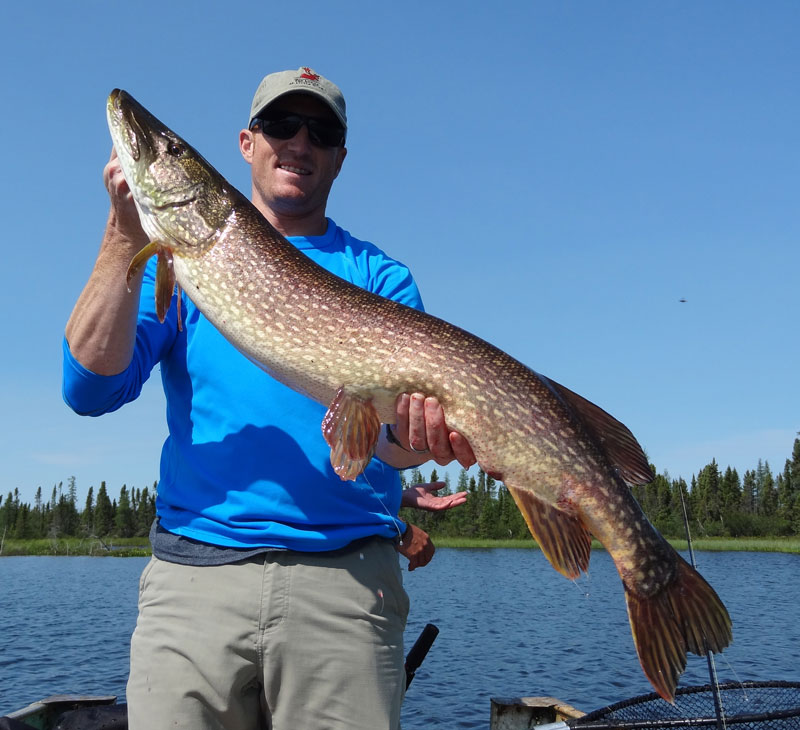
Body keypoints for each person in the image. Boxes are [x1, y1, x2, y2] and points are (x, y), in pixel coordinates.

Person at [62, 67, 476, 730]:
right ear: (247, 143)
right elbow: (88, 389)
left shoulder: (381, 278)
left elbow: (390, 447)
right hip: (194, 582)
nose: (300, 142)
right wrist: (122, 236)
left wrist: (417, 439)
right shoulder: (175, 264)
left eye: (322, 131)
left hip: (344, 590)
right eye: (282, 125)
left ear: (340, 155)